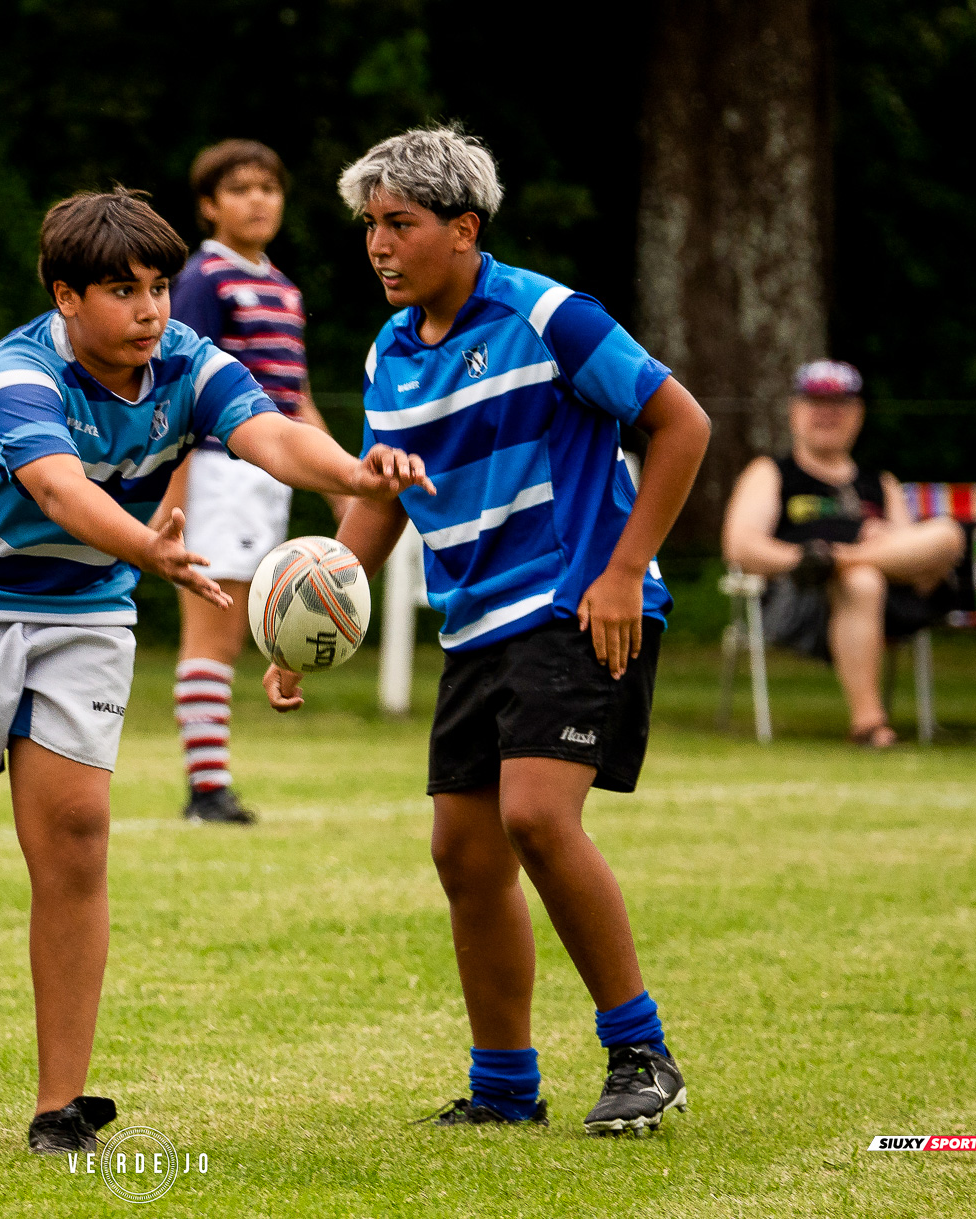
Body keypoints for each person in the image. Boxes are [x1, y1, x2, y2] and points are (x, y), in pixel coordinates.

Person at [0, 188, 432, 1153]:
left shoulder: (186, 363)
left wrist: (356, 473)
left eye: (158, 286)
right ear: (65, 296)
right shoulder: (16, 376)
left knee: (75, 834)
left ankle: (58, 1106)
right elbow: (62, 494)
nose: (151, 309)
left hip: (84, 613)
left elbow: (269, 433)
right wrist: (149, 551)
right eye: (123, 290)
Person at [267, 126, 711, 1136]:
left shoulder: (549, 314)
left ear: (464, 228)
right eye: (369, 226)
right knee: (465, 856)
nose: (378, 245)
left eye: (401, 224)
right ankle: (505, 1088)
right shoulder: (390, 352)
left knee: (536, 818)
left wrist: (624, 569)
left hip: (574, 604)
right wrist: (308, 620)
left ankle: (641, 1051)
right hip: (474, 629)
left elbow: (683, 424)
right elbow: (379, 502)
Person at [160, 139, 350, 825]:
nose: (258, 199)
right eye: (239, 189)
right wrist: (175, 491)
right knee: (212, 633)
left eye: (268, 186)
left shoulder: (284, 287)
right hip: (217, 469)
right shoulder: (203, 280)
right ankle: (206, 789)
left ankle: (211, 783)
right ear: (210, 206)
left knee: (236, 633)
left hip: (268, 475)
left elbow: (294, 398)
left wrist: (340, 481)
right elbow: (180, 388)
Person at [722, 361, 965, 747]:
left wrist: (859, 550)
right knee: (862, 580)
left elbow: (918, 558)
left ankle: (840, 559)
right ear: (794, 411)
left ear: (858, 414)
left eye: (839, 404)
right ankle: (869, 723)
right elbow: (740, 546)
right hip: (799, 602)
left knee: (947, 533)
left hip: (893, 604)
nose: (827, 413)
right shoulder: (771, 473)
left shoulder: (880, 483)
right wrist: (804, 561)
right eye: (816, 402)